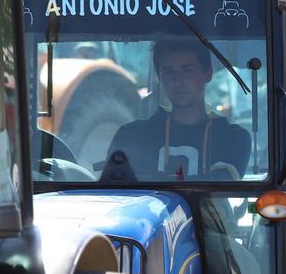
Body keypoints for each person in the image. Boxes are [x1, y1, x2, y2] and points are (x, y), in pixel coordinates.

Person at [106, 40, 250, 179]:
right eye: (168, 72)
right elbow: (112, 194)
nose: (177, 81)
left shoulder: (232, 139)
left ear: (208, 74)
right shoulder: (130, 136)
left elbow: (220, 192)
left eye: (187, 70)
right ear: (159, 77)